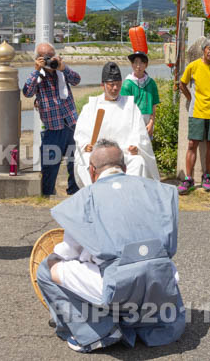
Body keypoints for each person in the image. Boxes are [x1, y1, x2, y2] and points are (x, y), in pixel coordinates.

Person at [36, 141, 185, 353]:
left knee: (48, 268)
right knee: (147, 263)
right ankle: (157, 324)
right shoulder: (156, 190)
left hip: (119, 286)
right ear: (124, 167)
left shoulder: (85, 199)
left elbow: (67, 252)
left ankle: (99, 331)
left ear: (91, 171)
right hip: (160, 281)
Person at [74, 61, 158, 187]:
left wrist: (136, 146)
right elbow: (81, 133)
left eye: (118, 85)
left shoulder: (130, 105)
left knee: (138, 161)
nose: (115, 88)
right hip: (99, 154)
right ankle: (95, 193)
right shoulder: (92, 106)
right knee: (84, 160)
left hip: (123, 154)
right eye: (111, 85)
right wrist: (86, 145)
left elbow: (139, 131)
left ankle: (128, 195)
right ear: (103, 85)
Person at [23, 41, 82, 197]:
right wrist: (36, 70)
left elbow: (77, 80)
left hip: (71, 123)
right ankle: (47, 194)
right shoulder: (39, 77)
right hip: (52, 127)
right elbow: (27, 93)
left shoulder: (61, 71)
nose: (48, 60)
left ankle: (74, 193)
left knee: (75, 162)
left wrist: (63, 67)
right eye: (44, 57)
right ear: (37, 59)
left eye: (50, 56)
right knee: (49, 164)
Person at [178, 36, 210, 194]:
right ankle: (189, 179)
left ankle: (207, 176)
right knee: (192, 144)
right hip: (197, 112)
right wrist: (190, 98)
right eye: (209, 49)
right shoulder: (193, 66)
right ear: (204, 49)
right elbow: (182, 84)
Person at [120, 50, 160, 137]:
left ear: (146, 65)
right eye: (135, 62)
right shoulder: (127, 83)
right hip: (132, 121)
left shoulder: (151, 83)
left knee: (147, 148)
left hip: (147, 122)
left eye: (142, 62)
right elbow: (124, 107)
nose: (138, 66)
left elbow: (154, 104)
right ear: (132, 64)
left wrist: (151, 122)